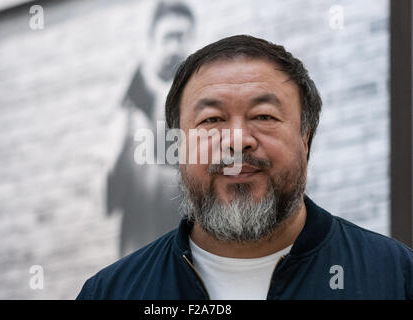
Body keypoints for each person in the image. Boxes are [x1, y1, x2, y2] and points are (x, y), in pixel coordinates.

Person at [79, 35, 412, 299]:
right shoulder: (112, 292)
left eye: (263, 116)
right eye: (211, 120)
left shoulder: (396, 278)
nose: (237, 140)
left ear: (306, 138)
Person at [105, 1, 195, 256]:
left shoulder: (204, 108)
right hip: (142, 265)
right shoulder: (130, 109)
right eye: (169, 38)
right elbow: (108, 196)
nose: (176, 48)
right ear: (151, 43)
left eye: (183, 38)